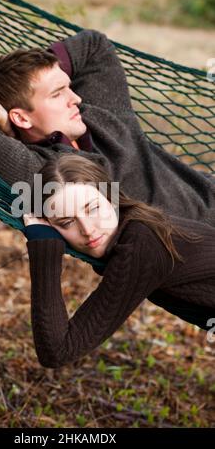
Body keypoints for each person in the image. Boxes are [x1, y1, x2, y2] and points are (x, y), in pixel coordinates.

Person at [0, 29, 214, 334]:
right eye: (57, 94)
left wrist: (36, 76)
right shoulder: (46, 173)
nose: (74, 97)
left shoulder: (98, 113)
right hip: (196, 261)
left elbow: (94, 46)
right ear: (21, 119)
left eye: (68, 86)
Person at [23, 154, 215, 369]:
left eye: (93, 209)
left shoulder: (141, 245)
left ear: (111, 198)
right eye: (67, 222)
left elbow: (58, 351)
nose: (88, 229)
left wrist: (44, 250)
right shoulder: (136, 223)